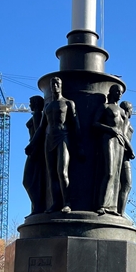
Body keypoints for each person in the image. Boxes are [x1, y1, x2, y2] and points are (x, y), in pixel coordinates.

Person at [37, 75, 78, 213]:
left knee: (62, 172)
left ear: (61, 86)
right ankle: (56, 203)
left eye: (57, 83)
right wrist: (32, 144)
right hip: (49, 139)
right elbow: (42, 127)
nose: (54, 86)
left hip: (63, 137)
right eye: (52, 84)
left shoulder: (68, 103)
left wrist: (80, 146)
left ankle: (67, 202)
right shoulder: (48, 106)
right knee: (51, 174)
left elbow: (75, 125)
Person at [95, 84, 127, 215]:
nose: (119, 94)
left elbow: (124, 130)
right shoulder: (105, 107)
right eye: (117, 92)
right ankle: (102, 204)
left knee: (116, 175)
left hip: (119, 142)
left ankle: (112, 206)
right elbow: (94, 123)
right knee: (109, 172)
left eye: (121, 92)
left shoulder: (122, 111)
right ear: (112, 92)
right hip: (108, 139)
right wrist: (110, 129)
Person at [22, 95, 46, 214]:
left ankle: (37, 206)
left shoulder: (38, 115)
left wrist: (32, 147)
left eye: (31, 102)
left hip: (35, 150)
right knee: (34, 179)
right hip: (35, 149)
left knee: (30, 180)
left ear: (36, 104)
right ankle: (37, 205)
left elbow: (39, 133)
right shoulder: (37, 115)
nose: (29, 105)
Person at [118, 100, 135, 217]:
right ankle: (120, 212)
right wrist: (131, 150)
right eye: (131, 109)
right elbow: (123, 135)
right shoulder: (126, 121)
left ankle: (120, 211)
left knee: (122, 184)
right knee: (127, 184)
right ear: (128, 110)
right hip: (123, 155)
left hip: (123, 154)